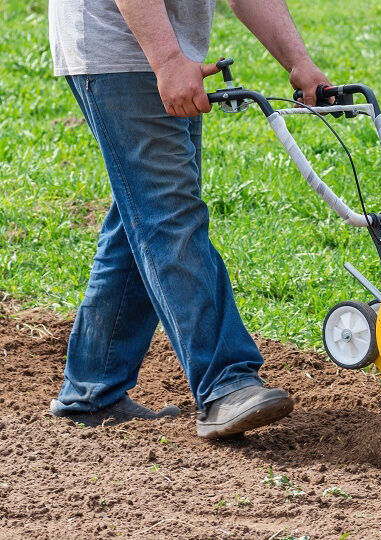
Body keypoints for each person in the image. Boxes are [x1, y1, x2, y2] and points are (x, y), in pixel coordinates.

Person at [46, 0, 333, 438]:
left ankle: (92, 389)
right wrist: (166, 61)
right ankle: (225, 384)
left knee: (143, 216)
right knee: (168, 215)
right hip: (120, 47)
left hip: (169, 50)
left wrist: (299, 63)